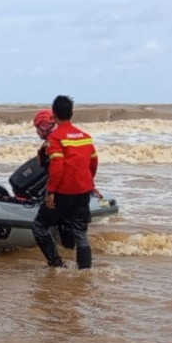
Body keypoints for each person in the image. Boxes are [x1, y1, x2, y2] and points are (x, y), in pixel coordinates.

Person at [31, 95, 98, 269]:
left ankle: (56, 264)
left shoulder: (56, 138)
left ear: (54, 114)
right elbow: (93, 163)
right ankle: (84, 271)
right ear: (71, 113)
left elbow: (57, 167)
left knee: (39, 226)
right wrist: (89, 184)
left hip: (63, 192)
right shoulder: (86, 137)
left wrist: (51, 191)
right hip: (83, 191)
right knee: (81, 234)